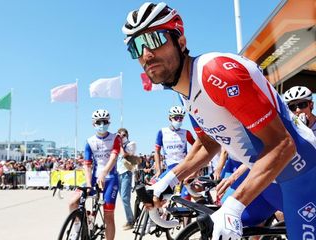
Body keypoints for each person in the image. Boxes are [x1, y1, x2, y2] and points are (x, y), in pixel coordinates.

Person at [122, 2, 316, 239]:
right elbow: (208, 143)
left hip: (302, 175)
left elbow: (282, 144)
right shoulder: (187, 93)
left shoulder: (215, 73)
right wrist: (170, 179)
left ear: (180, 42)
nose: (146, 54)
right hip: (268, 180)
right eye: (136, 47)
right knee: (213, 232)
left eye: (154, 40)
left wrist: (234, 207)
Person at [68, 109, 121, 240]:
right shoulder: (89, 141)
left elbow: (113, 158)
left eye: (105, 121)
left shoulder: (115, 137)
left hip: (110, 179)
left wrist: (104, 173)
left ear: (109, 122)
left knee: (108, 215)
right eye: (99, 122)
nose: (102, 124)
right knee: (72, 203)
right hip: (94, 178)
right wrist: (89, 184)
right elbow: (87, 164)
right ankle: (78, 226)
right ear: (93, 124)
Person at [153, 105, 195, 199]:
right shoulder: (162, 132)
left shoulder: (186, 133)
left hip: (184, 168)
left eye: (181, 118)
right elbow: (157, 151)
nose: (179, 120)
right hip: (170, 169)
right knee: (156, 192)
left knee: (186, 200)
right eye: (176, 117)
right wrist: (158, 169)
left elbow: (197, 147)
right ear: (170, 118)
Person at [116, 128, 136, 230]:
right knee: (123, 198)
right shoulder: (117, 145)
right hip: (118, 173)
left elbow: (124, 154)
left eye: (123, 135)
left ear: (127, 135)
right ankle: (131, 218)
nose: (121, 137)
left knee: (125, 198)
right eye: (119, 135)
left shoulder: (131, 144)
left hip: (126, 172)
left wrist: (119, 144)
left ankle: (131, 220)